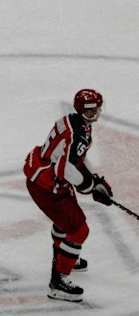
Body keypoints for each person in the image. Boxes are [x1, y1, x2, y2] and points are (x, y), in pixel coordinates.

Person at [23, 88, 112, 302]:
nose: (98, 112)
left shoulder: (75, 122)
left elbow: (76, 159)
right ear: (86, 111)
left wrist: (96, 179)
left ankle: (65, 257)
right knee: (79, 229)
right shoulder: (78, 132)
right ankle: (58, 282)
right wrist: (90, 185)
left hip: (47, 179)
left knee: (66, 223)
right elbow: (65, 170)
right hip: (47, 186)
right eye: (94, 110)